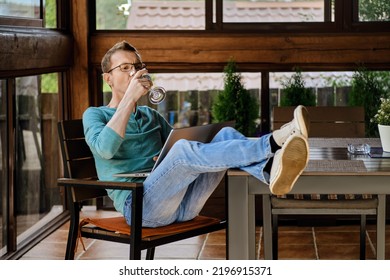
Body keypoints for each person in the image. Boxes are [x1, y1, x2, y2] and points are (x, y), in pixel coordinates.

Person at [83, 40, 310, 228]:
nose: (134, 72)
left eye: (137, 65)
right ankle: (273, 141)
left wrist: (165, 159)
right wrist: (130, 98)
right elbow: (105, 149)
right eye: (125, 68)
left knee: (224, 134)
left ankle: (269, 170)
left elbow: (176, 149)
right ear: (108, 78)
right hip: (140, 208)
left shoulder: (150, 116)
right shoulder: (95, 115)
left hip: (183, 204)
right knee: (182, 151)